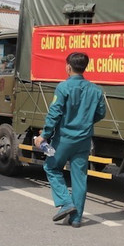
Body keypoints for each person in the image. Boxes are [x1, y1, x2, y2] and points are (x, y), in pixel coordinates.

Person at [33, 52, 106, 228]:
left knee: (51, 167)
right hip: (83, 140)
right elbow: (101, 113)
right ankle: (76, 218)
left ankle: (66, 203)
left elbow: (55, 113)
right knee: (79, 177)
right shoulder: (96, 90)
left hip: (64, 138)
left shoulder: (63, 87)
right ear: (85, 68)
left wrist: (45, 135)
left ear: (68, 67)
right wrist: (86, 122)